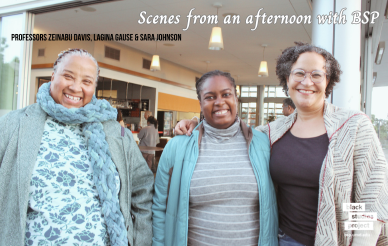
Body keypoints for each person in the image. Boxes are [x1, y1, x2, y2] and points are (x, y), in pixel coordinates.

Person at [175, 43, 388, 246]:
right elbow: (230, 133)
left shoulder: (354, 126)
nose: (307, 82)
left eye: (316, 74)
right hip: (284, 239)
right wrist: (196, 124)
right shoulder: (270, 133)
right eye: (299, 73)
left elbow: (373, 198)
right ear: (287, 79)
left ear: (328, 81)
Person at [0, 48, 154, 246]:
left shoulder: (116, 133)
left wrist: (141, 240)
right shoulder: (15, 125)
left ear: (94, 87)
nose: (75, 87)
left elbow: (143, 187)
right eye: (68, 76)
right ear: (53, 76)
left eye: (86, 81)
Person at [152, 70, 278, 246]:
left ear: (236, 98)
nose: (219, 102)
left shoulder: (263, 144)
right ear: (200, 103)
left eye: (226, 94)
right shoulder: (177, 147)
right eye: (210, 97)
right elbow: (159, 207)